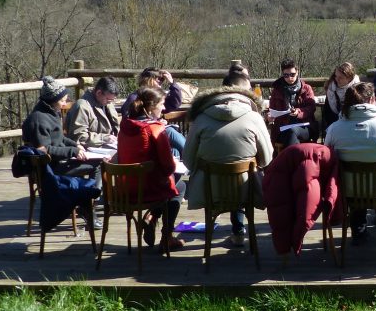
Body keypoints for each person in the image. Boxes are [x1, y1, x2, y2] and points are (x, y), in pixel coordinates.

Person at [183, 80, 273, 248]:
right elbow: (267, 159)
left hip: (209, 191)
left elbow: (188, 161)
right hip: (247, 191)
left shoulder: (201, 119)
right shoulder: (254, 118)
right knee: (243, 180)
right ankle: (240, 233)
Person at [324, 82, 376, 245]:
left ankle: (359, 230)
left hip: (347, 191)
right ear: (373, 100)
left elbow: (327, 164)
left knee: (355, 185)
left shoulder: (334, 129)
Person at [115, 86, 185, 252]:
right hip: (147, 190)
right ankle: (166, 236)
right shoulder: (155, 129)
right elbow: (168, 168)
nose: (164, 108)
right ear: (152, 107)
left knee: (170, 186)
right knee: (179, 186)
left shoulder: (124, 127)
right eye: (161, 104)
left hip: (124, 190)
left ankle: (152, 217)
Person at [21, 76, 92, 176]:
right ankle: (94, 191)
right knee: (96, 165)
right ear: (52, 101)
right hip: (50, 169)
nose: (65, 104)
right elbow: (43, 149)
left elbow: (59, 138)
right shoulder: (38, 119)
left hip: (59, 162)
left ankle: (87, 189)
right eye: (62, 101)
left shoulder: (51, 113)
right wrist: (73, 151)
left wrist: (75, 145)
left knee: (97, 161)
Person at [268, 59, 317, 147]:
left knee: (292, 132)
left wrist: (298, 112)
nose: (289, 78)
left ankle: (290, 159)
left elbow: (311, 107)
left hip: (304, 125)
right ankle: (295, 159)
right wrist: (269, 116)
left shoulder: (306, 88)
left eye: (292, 74)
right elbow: (272, 110)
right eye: (286, 75)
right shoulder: (277, 90)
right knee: (290, 133)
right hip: (283, 126)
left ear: (297, 72)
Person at [66, 76, 121, 150]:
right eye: (108, 99)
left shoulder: (107, 104)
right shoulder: (82, 107)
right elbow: (79, 137)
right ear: (98, 93)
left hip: (110, 147)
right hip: (88, 151)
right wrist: (104, 138)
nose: (110, 102)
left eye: (112, 100)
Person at [319, 61, 360, 134]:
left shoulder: (358, 91)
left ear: (349, 78)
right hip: (334, 124)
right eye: (336, 76)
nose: (336, 79)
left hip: (352, 126)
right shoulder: (331, 89)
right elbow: (328, 112)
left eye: (341, 77)